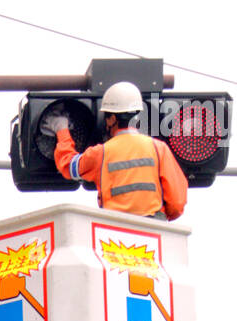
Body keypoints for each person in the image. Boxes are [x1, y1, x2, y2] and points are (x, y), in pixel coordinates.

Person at [50, 81, 187, 221]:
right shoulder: (159, 149)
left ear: (112, 119)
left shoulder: (101, 153)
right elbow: (177, 202)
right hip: (153, 229)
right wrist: (161, 217)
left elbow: (68, 165)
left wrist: (61, 129)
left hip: (115, 230)